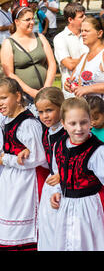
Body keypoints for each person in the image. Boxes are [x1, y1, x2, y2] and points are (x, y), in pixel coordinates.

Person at [49, 97, 104, 251]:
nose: (79, 128)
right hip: (66, 204)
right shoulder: (58, 145)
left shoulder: (98, 151)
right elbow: (59, 172)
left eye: (83, 122)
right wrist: (57, 191)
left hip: (89, 207)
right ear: (63, 124)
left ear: (90, 121)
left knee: (86, 243)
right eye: (72, 123)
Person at [0, 77, 47, 250]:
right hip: (12, 179)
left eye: (4, 98)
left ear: (18, 96)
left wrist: (5, 159)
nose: (0, 103)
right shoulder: (6, 120)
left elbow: (37, 158)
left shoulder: (27, 123)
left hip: (27, 181)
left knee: (23, 224)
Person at [64, 15, 104, 122]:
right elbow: (75, 81)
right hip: (87, 115)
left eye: (87, 31)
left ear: (99, 33)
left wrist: (88, 89)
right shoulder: (84, 56)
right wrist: (68, 84)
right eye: (81, 31)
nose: (82, 34)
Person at [0, 6, 57, 103]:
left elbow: (52, 63)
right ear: (17, 21)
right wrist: (31, 92)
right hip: (24, 97)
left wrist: (47, 87)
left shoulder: (40, 37)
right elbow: (9, 74)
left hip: (46, 94)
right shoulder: (8, 43)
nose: (32, 22)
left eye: (32, 19)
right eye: (27, 20)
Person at [34, 87, 67, 251]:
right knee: (48, 226)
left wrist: (63, 174)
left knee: (61, 227)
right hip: (52, 183)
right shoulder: (46, 132)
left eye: (49, 110)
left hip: (66, 184)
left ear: (61, 107)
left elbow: (77, 157)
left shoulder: (68, 133)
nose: (44, 116)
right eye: (40, 112)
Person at [53, 2, 88, 99]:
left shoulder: (89, 34)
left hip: (91, 87)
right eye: (81, 16)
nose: (85, 18)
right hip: (72, 91)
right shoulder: (60, 38)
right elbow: (70, 65)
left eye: (84, 14)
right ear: (70, 20)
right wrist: (89, 57)